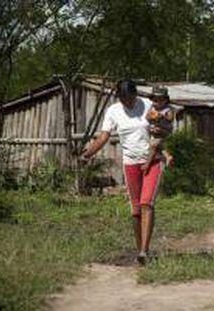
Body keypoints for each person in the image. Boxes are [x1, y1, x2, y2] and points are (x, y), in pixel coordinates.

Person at [80, 78, 173, 265]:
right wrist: (87, 154)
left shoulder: (148, 105)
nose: (127, 103)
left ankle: (145, 251)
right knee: (136, 210)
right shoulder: (113, 111)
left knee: (147, 203)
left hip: (152, 161)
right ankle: (140, 250)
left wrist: (165, 147)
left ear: (136, 94)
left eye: (129, 98)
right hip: (130, 164)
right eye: (123, 99)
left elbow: (165, 127)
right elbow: (104, 136)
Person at [142, 85, 174, 174]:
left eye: (161, 100)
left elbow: (171, 118)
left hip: (163, 130)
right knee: (158, 146)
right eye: (156, 100)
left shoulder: (168, 109)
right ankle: (167, 157)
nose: (158, 103)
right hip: (154, 131)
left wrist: (162, 116)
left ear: (166, 100)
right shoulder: (152, 108)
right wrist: (152, 117)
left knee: (154, 145)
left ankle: (147, 165)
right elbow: (147, 117)